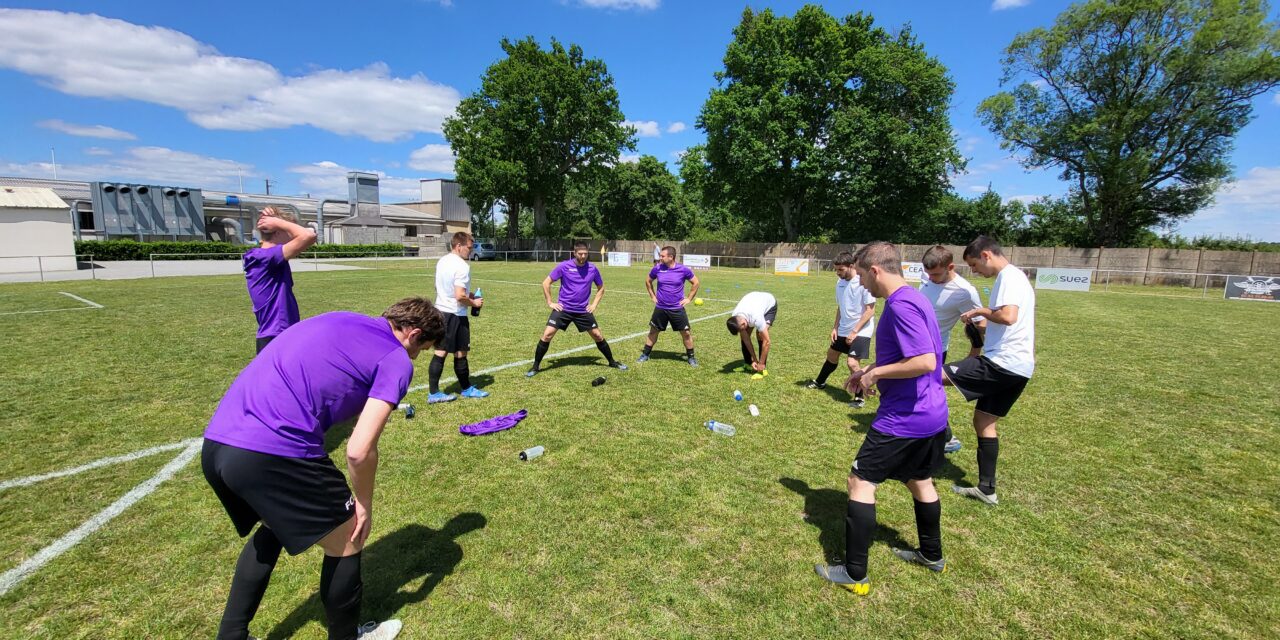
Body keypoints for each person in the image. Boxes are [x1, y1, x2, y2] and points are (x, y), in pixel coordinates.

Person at [202, 297, 446, 640]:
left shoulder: (342, 318)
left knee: (272, 527)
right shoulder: (396, 359)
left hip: (218, 443)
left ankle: (232, 634)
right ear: (414, 334)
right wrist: (363, 504)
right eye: (422, 349)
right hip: (274, 451)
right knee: (348, 537)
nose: (415, 358)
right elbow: (359, 451)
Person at [814, 242, 949, 596]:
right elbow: (911, 357)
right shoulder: (916, 298)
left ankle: (855, 572)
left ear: (875, 270)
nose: (859, 283)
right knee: (919, 480)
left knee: (860, 482)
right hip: (932, 412)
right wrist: (872, 370)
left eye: (860, 275)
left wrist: (873, 376)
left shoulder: (902, 305)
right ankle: (932, 555)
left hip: (906, 417)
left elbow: (925, 362)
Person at [943, 236, 1036, 506]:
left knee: (930, 376)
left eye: (974, 265)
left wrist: (981, 310)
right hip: (1019, 367)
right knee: (984, 422)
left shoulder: (1008, 277)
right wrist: (980, 327)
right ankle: (987, 489)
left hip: (1001, 363)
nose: (974, 271)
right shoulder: (1014, 278)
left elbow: (1007, 316)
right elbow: (1006, 322)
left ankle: (934, 443)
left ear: (986, 255)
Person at [526, 241, 628, 377]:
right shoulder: (564, 266)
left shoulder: (592, 268)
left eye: (585, 253)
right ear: (574, 253)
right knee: (547, 334)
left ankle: (612, 361)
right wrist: (550, 302)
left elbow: (601, 288)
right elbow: (546, 283)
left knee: (598, 335)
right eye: (580, 253)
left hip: (582, 311)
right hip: (564, 309)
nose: (583, 256)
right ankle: (535, 366)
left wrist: (594, 305)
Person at [920, 245, 986, 455]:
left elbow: (980, 324)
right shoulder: (929, 278)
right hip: (915, 344)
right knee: (920, 390)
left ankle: (947, 437)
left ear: (950, 267)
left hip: (935, 349)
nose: (931, 279)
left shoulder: (964, 292)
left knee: (928, 392)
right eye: (928, 274)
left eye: (936, 274)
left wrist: (975, 353)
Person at [243, 206, 317, 353]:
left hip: (280, 333)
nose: (292, 236)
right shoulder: (264, 257)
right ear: (277, 232)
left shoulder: (270, 258)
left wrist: (274, 218)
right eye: (288, 232)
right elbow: (308, 236)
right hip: (276, 336)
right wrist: (279, 222)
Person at [806, 251, 875, 407]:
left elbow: (870, 310)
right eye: (836, 270)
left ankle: (859, 396)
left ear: (851, 266)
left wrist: (855, 331)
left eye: (841, 270)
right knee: (832, 354)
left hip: (862, 329)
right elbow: (841, 306)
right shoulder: (840, 283)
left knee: (852, 363)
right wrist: (835, 327)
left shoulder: (863, 282)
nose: (838, 273)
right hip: (844, 328)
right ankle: (820, 382)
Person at [427, 232, 487, 404]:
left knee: (452, 351)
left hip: (441, 311)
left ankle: (465, 387)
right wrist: (474, 303)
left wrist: (470, 295)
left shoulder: (442, 261)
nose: (471, 250)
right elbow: (459, 296)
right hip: (455, 314)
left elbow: (442, 287)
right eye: (469, 247)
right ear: (458, 246)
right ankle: (436, 393)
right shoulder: (462, 266)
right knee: (454, 352)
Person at [638, 246, 701, 367]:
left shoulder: (683, 270)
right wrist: (652, 295)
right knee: (653, 331)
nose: (660, 258)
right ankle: (645, 354)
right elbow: (648, 281)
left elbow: (696, 282)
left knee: (686, 333)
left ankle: (691, 357)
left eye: (662, 256)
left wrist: (689, 298)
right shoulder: (657, 268)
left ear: (671, 257)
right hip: (661, 307)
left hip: (676, 308)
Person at [726, 291, 777, 380]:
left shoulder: (756, 317)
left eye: (741, 329)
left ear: (742, 323)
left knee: (760, 334)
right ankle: (748, 364)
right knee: (745, 335)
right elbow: (746, 339)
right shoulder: (735, 315)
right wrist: (754, 359)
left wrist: (760, 363)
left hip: (769, 305)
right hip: (754, 301)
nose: (742, 331)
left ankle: (762, 370)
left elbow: (767, 342)